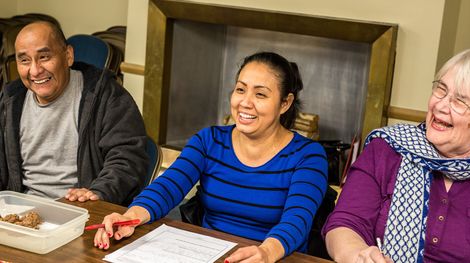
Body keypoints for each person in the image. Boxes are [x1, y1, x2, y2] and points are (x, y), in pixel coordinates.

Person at [94, 52, 328, 262]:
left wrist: (266, 252)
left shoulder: (308, 156)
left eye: (260, 94)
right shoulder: (210, 141)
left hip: (273, 256)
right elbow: (168, 187)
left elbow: (298, 220)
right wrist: (130, 218)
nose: (245, 102)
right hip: (208, 253)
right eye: (240, 89)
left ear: (285, 103)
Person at [322, 48, 470, 263]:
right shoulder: (386, 149)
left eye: (460, 101)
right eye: (441, 90)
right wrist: (357, 255)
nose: (441, 105)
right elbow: (345, 222)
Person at [0, 21, 148, 205]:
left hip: (80, 213)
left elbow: (128, 158)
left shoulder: (105, 95)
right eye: (24, 60)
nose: (35, 70)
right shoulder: (10, 100)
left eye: (44, 57)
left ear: (68, 56)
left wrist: (98, 192)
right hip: (19, 214)